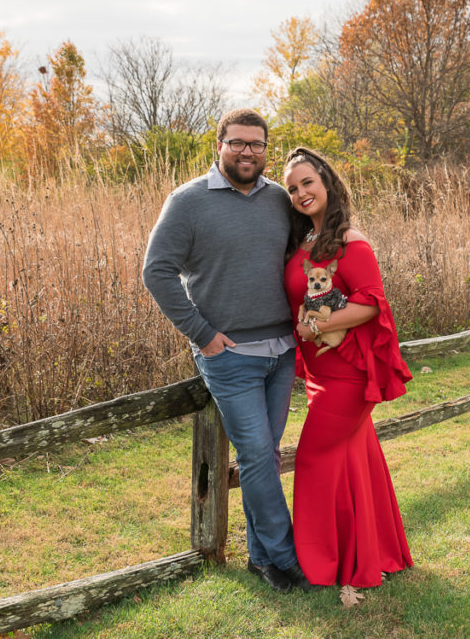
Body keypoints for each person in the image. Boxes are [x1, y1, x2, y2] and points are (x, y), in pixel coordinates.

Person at [142, 109, 311, 593]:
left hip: (281, 350)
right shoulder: (188, 201)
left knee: (266, 457)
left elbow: (310, 252)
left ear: (265, 150)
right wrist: (202, 334)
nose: (247, 152)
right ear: (218, 145)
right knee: (257, 454)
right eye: (237, 143)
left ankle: (262, 558)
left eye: (257, 145)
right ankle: (285, 558)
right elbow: (157, 271)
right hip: (230, 354)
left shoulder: (279, 200)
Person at [283, 146, 414, 588]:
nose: (301, 193)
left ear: (327, 183)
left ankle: (320, 563)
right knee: (357, 457)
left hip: (347, 374)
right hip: (320, 376)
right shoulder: (303, 242)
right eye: (293, 188)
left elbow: (372, 305)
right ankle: (373, 554)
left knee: (314, 457)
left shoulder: (351, 243)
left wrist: (314, 330)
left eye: (308, 183)